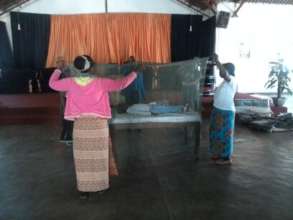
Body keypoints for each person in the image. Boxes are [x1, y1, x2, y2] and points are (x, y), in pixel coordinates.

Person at [49, 55, 138, 199]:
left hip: (80, 126)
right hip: (98, 125)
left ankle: (84, 190)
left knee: (82, 158)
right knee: (99, 157)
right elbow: (122, 83)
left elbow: (52, 84)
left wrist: (59, 70)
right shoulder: (101, 82)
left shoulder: (70, 83)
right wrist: (135, 73)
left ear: (77, 67)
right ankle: (99, 187)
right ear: (91, 66)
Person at [209, 55, 238, 165]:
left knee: (226, 135)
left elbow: (223, 73)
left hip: (226, 112)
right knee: (216, 134)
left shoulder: (232, 80)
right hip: (218, 110)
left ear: (228, 71)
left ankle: (226, 158)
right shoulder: (224, 82)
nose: (220, 71)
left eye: (224, 68)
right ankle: (217, 153)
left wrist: (217, 61)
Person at [55, 56, 73, 143]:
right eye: (59, 61)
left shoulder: (65, 71)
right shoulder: (61, 73)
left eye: (61, 61)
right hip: (66, 97)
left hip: (67, 97)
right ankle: (67, 136)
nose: (60, 63)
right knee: (67, 117)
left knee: (66, 117)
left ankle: (64, 135)